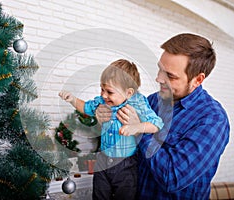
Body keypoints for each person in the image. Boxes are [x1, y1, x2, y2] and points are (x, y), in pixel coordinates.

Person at [96, 33, 230, 199]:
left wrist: (139, 129)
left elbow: (172, 177)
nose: (159, 79)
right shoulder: (153, 100)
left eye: (170, 76)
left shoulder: (212, 120)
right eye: (160, 69)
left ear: (197, 80)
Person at [59, 59, 164, 200]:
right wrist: (72, 99)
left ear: (128, 93)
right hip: (103, 160)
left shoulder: (138, 103)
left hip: (126, 164)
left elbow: (157, 124)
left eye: (109, 91)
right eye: (101, 89)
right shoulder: (102, 102)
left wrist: (137, 127)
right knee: (99, 194)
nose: (103, 95)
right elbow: (86, 107)